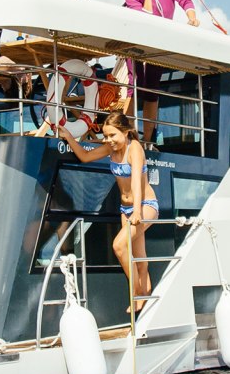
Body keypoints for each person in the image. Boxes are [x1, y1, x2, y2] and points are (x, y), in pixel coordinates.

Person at [58, 113, 157, 312]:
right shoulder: (111, 148)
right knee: (138, 256)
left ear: (126, 131)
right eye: (105, 136)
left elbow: (137, 182)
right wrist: (69, 136)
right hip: (125, 208)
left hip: (145, 205)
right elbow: (85, 157)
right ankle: (146, 297)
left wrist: (137, 211)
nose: (108, 140)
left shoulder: (134, 148)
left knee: (119, 246)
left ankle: (137, 294)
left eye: (112, 135)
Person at [121, 0, 201, 143]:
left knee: (152, 87)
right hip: (135, 40)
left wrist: (192, 18)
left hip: (159, 43)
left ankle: (147, 140)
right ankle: (128, 136)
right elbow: (144, 20)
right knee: (134, 85)